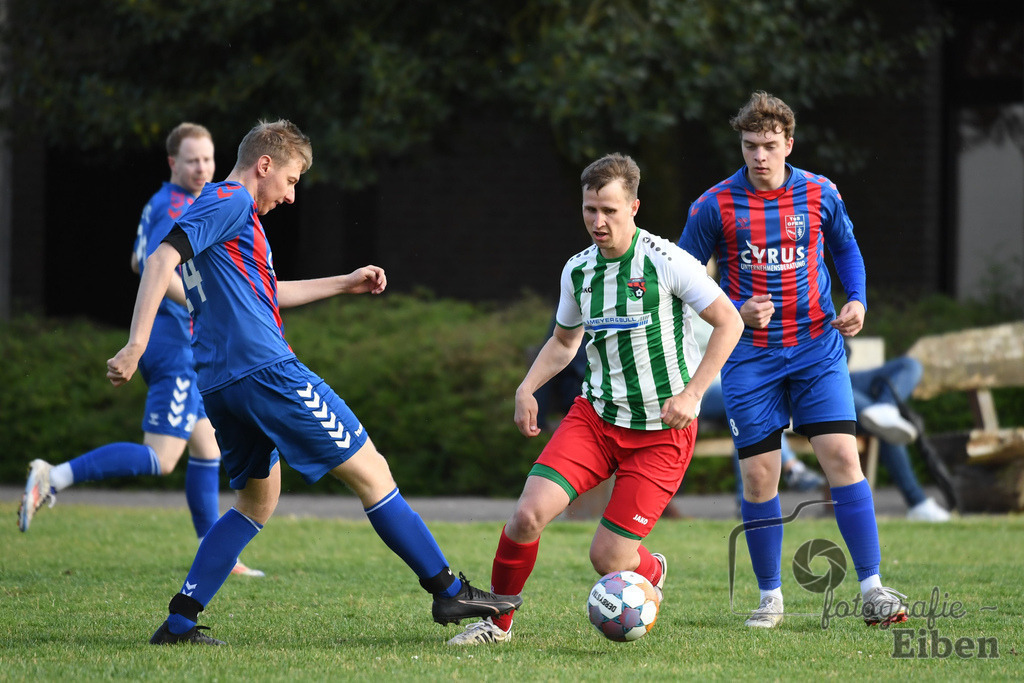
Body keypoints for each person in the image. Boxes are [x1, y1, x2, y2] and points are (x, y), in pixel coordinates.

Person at [105, 119, 522, 646]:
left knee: (256, 502)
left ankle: (180, 622)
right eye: (292, 179)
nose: (292, 195)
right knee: (373, 472)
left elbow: (265, 292)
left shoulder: (225, 216)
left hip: (220, 383)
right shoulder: (231, 200)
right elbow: (161, 257)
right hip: (266, 373)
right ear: (265, 165)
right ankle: (447, 589)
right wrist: (137, 343)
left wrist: (343, 283)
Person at [446, 153, 744, 645]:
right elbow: (565, 342)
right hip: (597, 420)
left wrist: (693, 393)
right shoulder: (578, 271)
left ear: (633, 207)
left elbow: (729, 322)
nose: (598, 222)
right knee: (526, 516)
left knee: (607, 560)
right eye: (590, 210)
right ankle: (496, 624)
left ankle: (648, 566)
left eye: (609, 210)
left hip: (661, 433)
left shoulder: (667, 261)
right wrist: (527, 387)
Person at [678, 91, 908, 629]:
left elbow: (846, 249)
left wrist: (856, 300)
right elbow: (683, 281)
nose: (759, 156)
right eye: (749, 145)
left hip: (815, 351)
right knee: (762, 479)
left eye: (769, 145)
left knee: (842, 460)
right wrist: (735, 309)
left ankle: (873, 589)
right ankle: (770, 597)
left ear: (789, 144)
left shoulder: (818, 192)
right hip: (749, 360)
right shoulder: (713, 205)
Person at [18, 123, 262, 576]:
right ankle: (54, 476)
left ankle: (221, 558)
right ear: (173, 163)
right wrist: (203, 302)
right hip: (174, 349)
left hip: (176, 344)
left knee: (207, 447)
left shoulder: (162, 203)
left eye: (208, 159)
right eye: (193, 160)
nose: (203, 168)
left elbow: (137, 259)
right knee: (162, 458)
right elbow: (158, 265)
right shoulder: (174, 205)